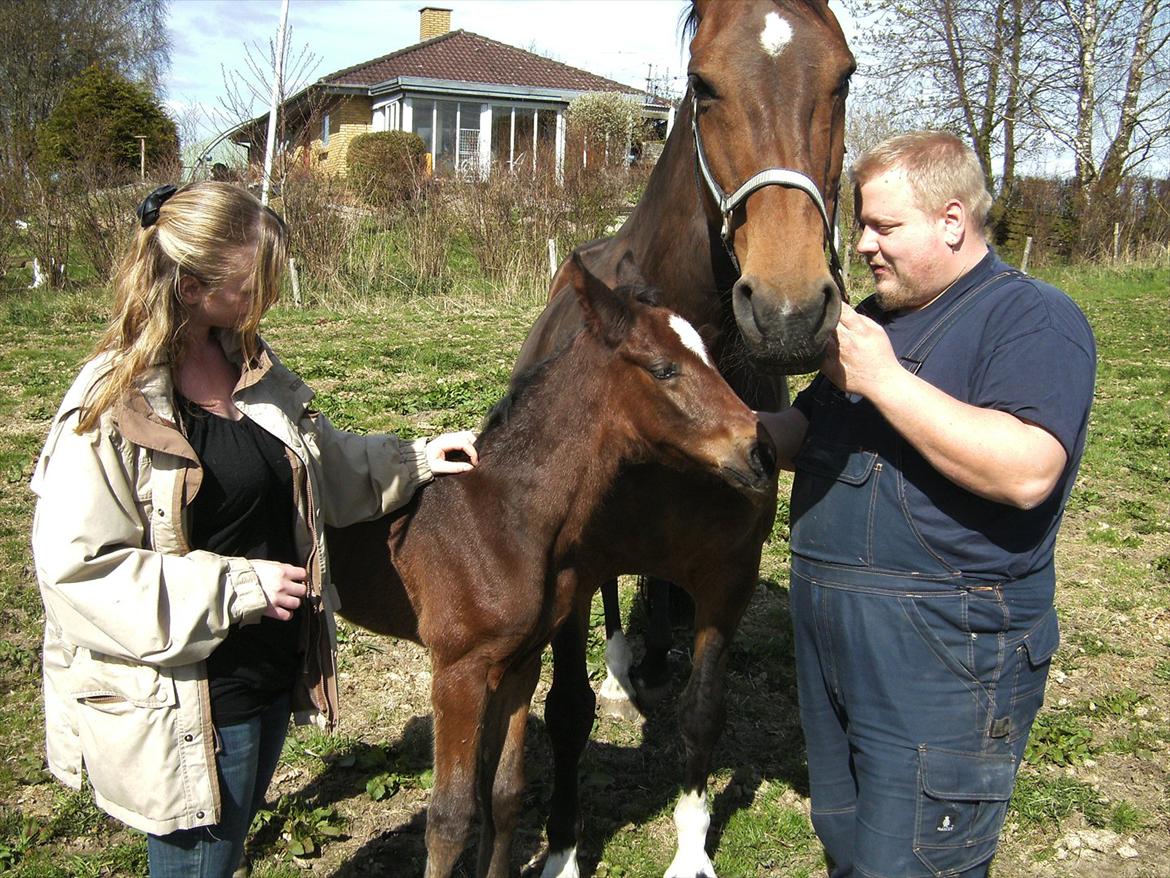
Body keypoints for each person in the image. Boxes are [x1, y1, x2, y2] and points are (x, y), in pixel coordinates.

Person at [30, 181, 478, 877]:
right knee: (201, 864)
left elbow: (321, 465)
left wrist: (418, 457)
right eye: (250, 285)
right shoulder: (110, 407)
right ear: (187, 286)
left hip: (270, 671)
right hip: (189, 695)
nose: (265, 299)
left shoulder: (249, 365)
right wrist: (236, 587)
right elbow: (80, 573)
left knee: (227, 847)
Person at [759, 131, 1096, 877]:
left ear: (951, 221)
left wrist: (882, 379)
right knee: (851, 846)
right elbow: (801, 435)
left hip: (946, 654)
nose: (865, 246)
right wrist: (705, 425)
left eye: (886, 226)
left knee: (912, 862)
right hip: (836, 644)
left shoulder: (1030, 317)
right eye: (862, 225)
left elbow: (1028, 470)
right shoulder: (879, 320)